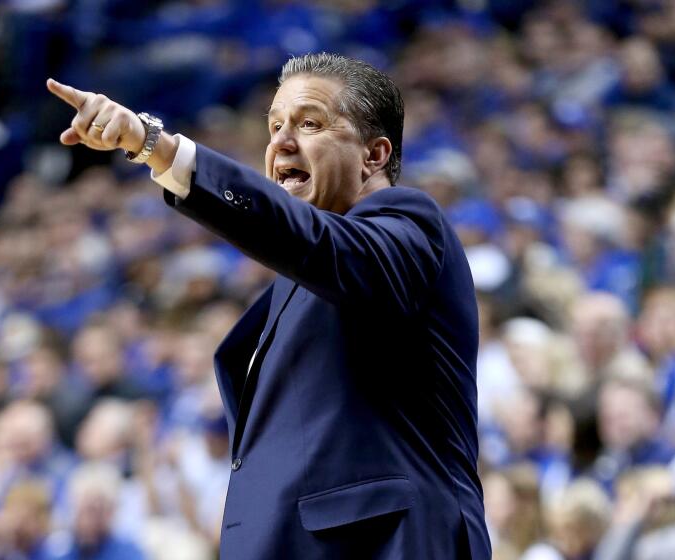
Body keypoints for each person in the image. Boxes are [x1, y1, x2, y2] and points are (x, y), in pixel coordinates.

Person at [48, 52, 489, 559]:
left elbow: (311, 241)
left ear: (373, 154)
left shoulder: (410, 225)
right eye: (274, 125)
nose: (280, 142)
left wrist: (158, 148)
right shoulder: (295, 282)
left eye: (309, 123)